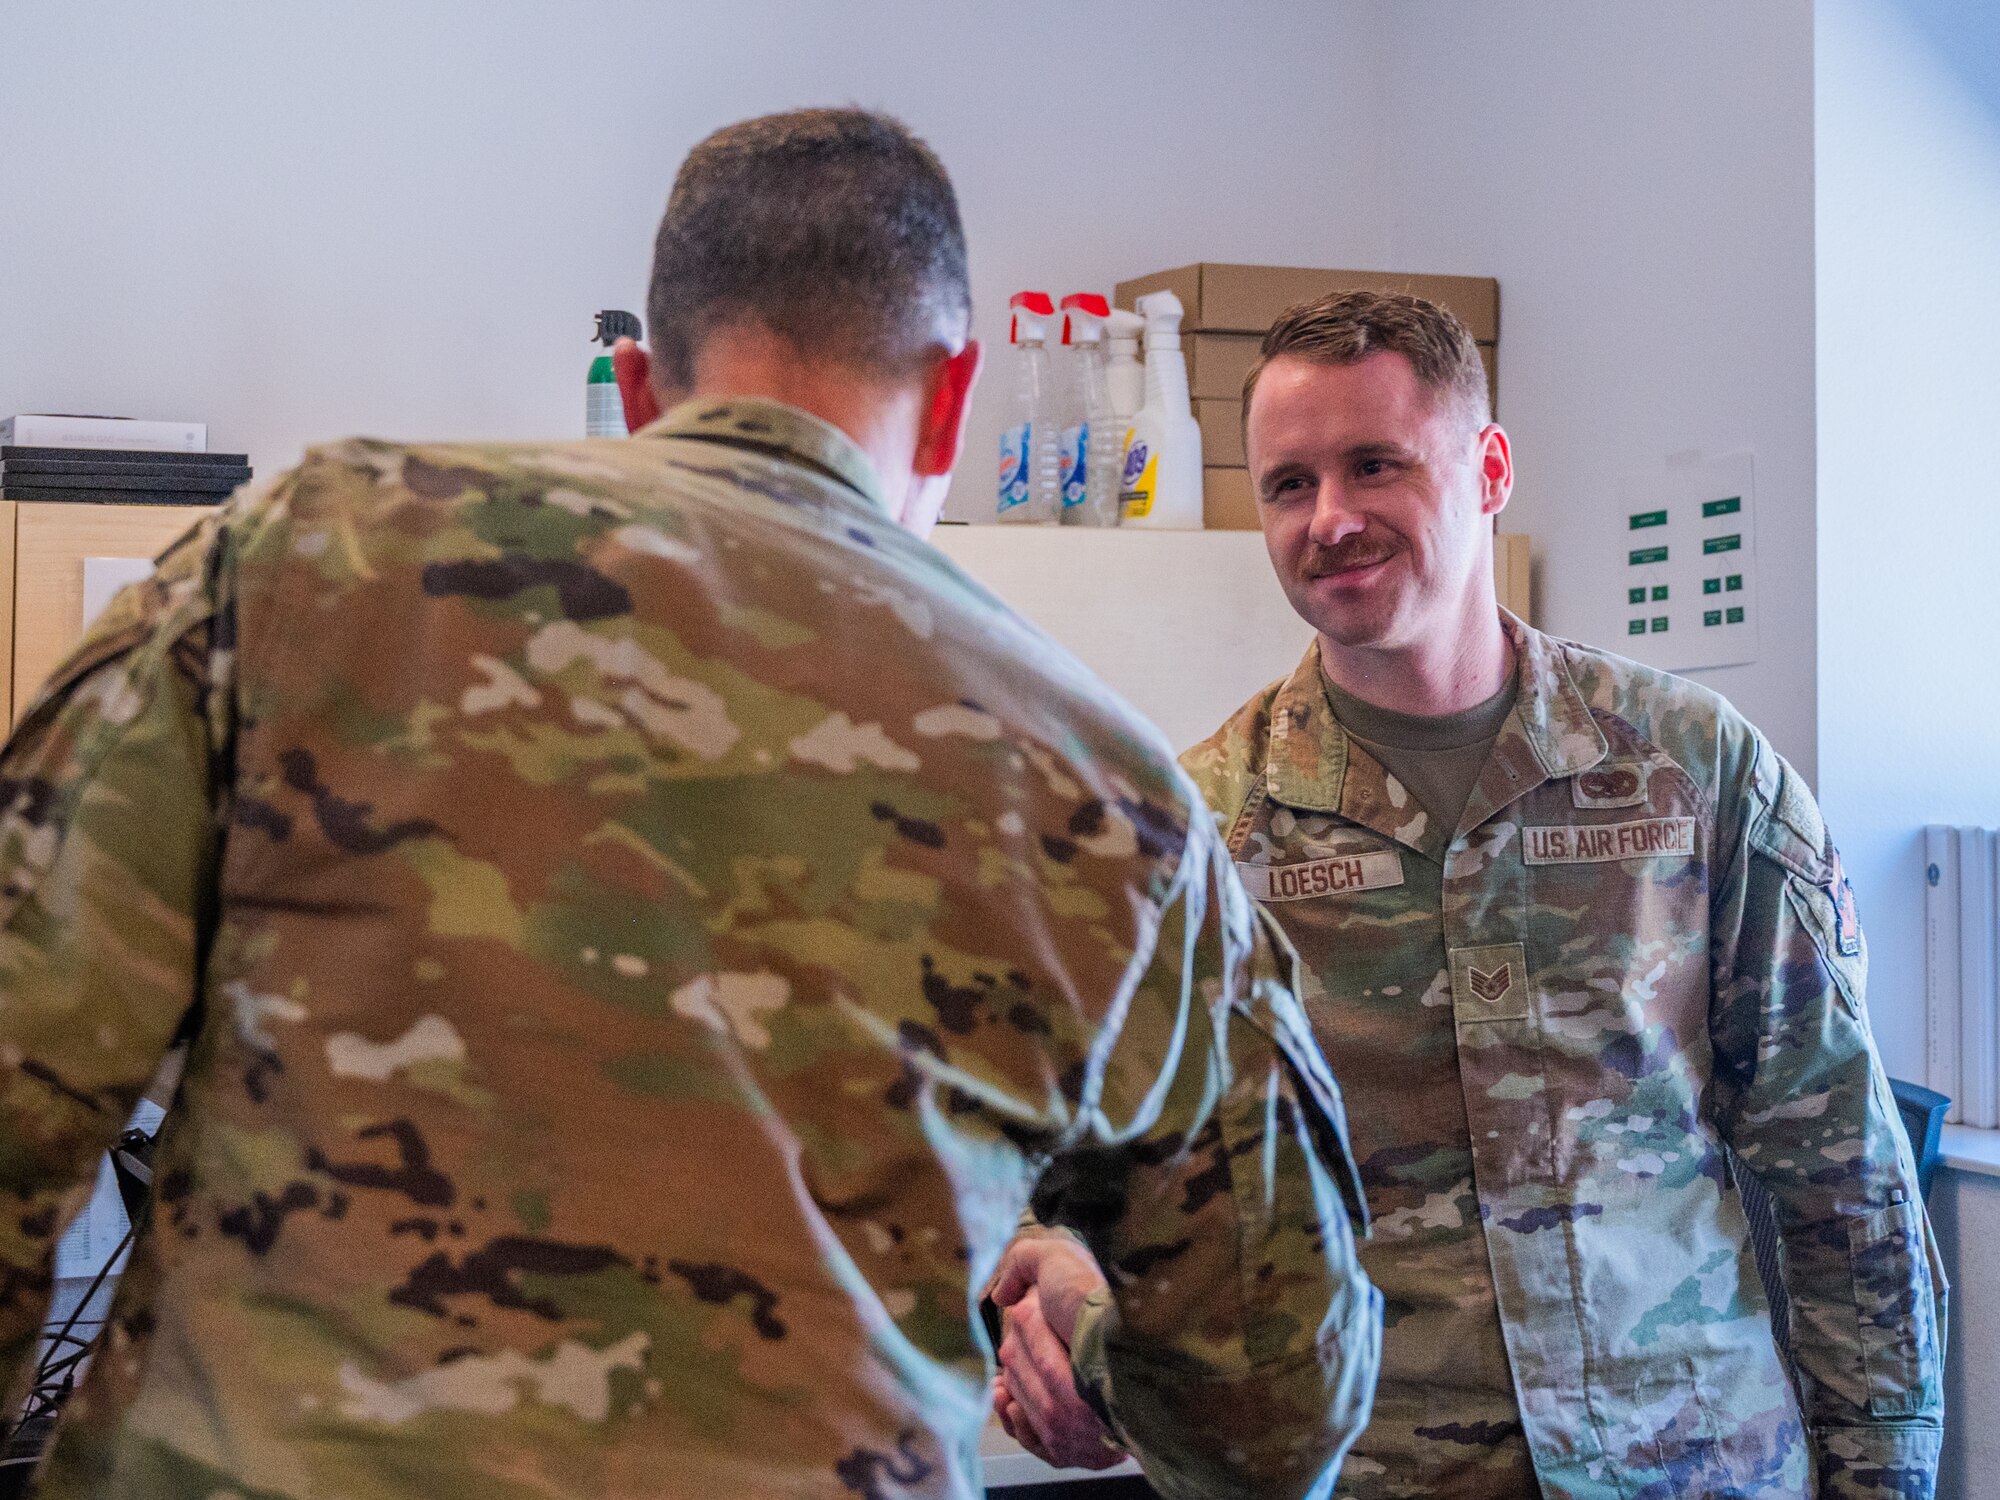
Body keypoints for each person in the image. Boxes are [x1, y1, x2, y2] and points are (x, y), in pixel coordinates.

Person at [0, 110, 1381, 1500]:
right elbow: (1277, 1396)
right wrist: (1080, 1340)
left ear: (646, 386)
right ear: (955, 400)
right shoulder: (1106, 788)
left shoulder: (305, 563)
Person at [992, 291, 1946, 1499]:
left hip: (1689, 1465)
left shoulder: (1690, 769)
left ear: (1488, 468)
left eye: (1372, 465)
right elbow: (1061, 1168)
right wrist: (1050, 1285)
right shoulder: (1192, 833)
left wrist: (1885, 1478)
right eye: (1287, 485)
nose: (1327, 519)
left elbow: (1839, 1171)